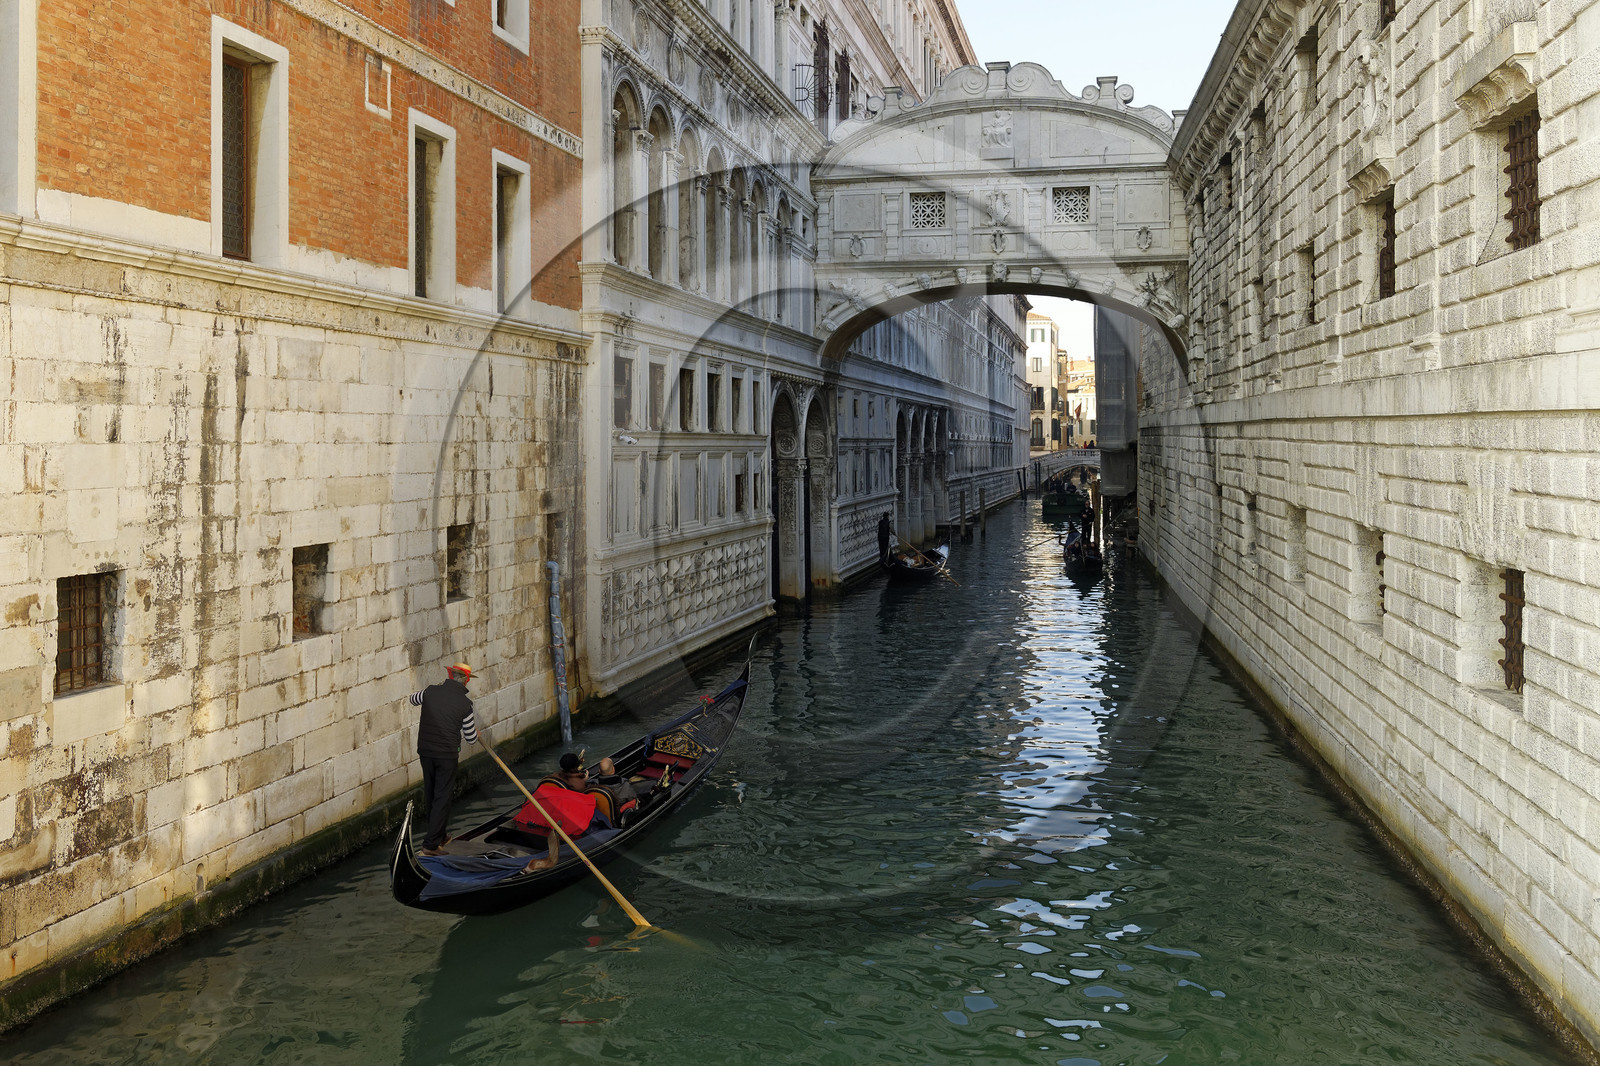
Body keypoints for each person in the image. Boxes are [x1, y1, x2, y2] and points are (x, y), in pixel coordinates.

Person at [407, 662, 478, 857]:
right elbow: (471, 738)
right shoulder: (465, 705)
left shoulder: (430, 692)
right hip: (446, 755)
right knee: (442, 797)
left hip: (426, 752)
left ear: (449, 674)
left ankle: (439, 837)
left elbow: (412, 700)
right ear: (467, 681)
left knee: (431, 793)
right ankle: (430, 845)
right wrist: (476, 733)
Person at [517, 752, 609, 872]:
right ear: (576, 766)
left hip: (548, 812)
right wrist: (584, 780)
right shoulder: (578, 783)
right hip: (568, 813)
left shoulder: (553, 777)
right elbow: (581, 793)